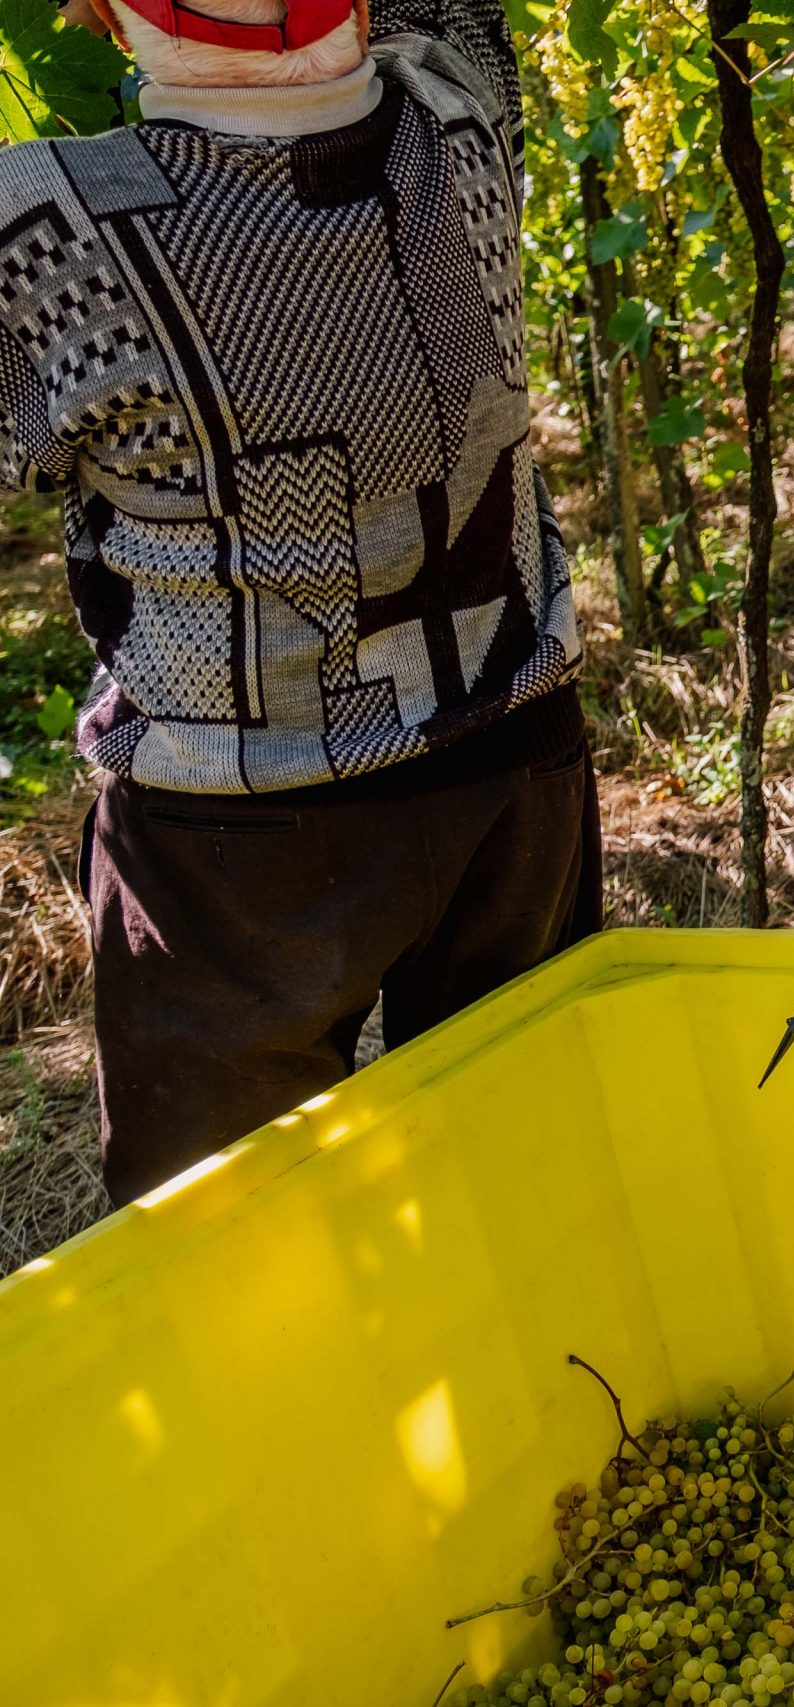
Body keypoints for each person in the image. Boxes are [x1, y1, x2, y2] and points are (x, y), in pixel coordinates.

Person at [4, 0, 593, 1203]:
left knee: (223, 1244)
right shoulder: (459, 109)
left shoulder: (42, 229)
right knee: (529, 1190)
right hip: (512, 766)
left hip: (235, 837)